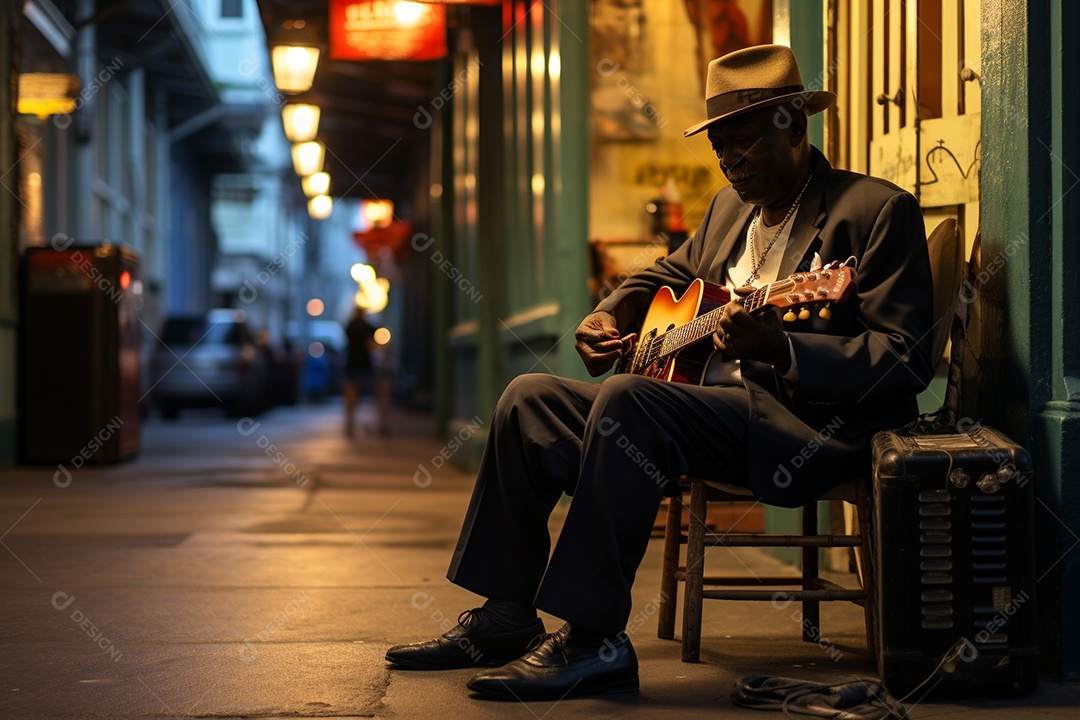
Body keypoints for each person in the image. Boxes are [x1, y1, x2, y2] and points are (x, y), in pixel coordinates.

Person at [386, 44, 934, 700]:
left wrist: (783, 351)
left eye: (745, 143)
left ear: (794, 122)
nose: (730, 161)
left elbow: (905, 358)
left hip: (806, 427)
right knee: (528, 397)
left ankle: (595, 640)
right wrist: (608, 309)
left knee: (629, 400)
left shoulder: (875, 211)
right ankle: (507, 615)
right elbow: (669, 272)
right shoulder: (729, 211)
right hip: (701, 410)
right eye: (720, 148)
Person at [342, 307, 388, 437]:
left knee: (351, 394)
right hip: (365, 363)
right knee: (379, 390)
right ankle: (382, 423)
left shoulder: (350, 326)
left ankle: (350, 423)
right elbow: (376, 341)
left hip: (352, 363)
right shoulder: (367, 326)